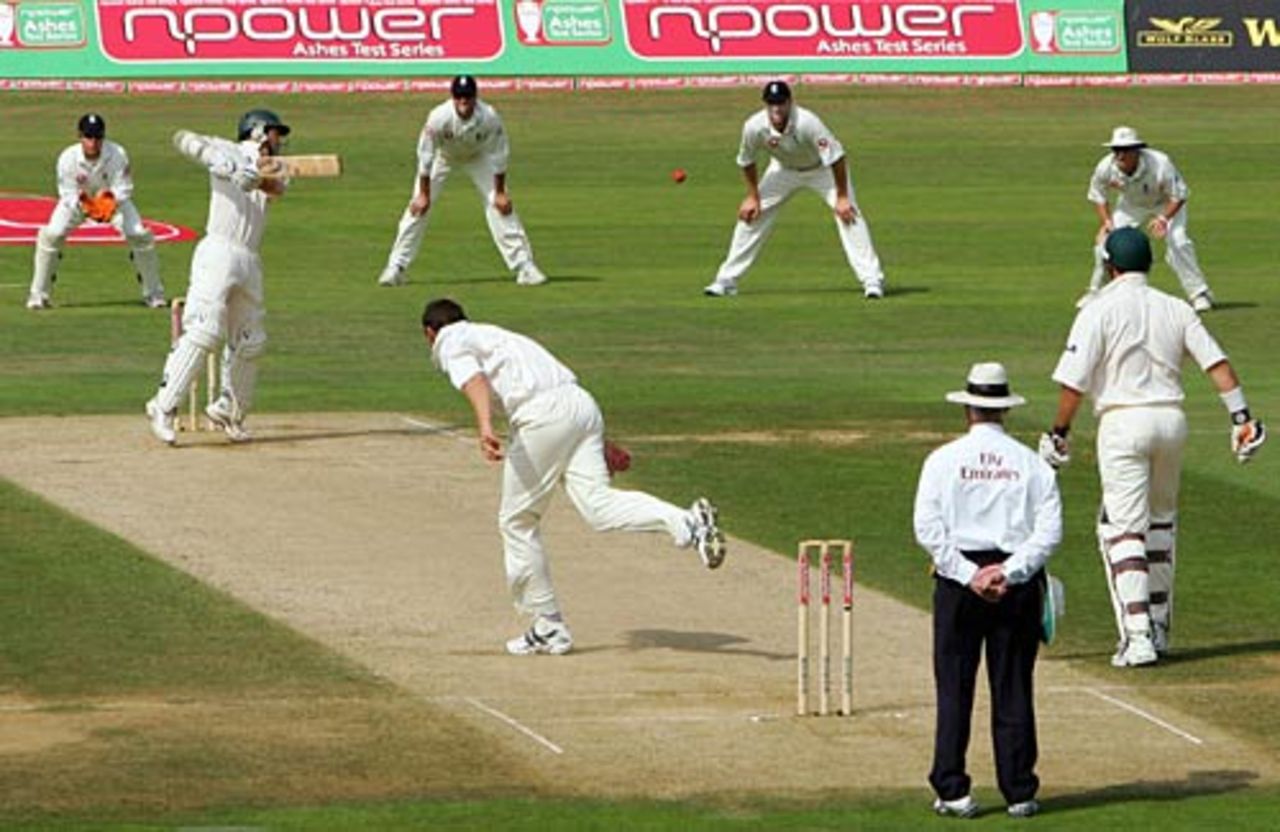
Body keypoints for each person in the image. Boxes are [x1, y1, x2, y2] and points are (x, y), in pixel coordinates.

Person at [422, 298, 726, 656]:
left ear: (430, 333)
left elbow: (473, 380)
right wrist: (601, 442)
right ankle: (689, 523)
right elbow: (556, 391)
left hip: (543, 419)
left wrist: (485, 426)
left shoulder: (450, 341)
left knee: (517, 522)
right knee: (598, 506)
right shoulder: (500, 336)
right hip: (581, 406)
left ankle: (548, 625)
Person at [1042, 227, 1266, 667]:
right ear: (1149, 264)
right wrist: (1241, 418)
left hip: (1123, 423)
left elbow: (1073, 383)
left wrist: (1059, 433)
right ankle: (1158, 628)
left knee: (1122, 529)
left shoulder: (1098, 309)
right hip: (1171, 422)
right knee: (1160, 523)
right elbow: (1216, 363)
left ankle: (1139, 636)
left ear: (1110, 267)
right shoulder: (1175, 307)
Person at [914, 362, 1062, 820]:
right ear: (1004, 411)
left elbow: (927, 527)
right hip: (1014, 585)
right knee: (1013, 686)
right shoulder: (1030, 463)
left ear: (968, 410)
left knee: (955, 687)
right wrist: (1010, 572)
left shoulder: (943, 459)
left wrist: (969, 575)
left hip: (960, 584)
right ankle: (1019, 790)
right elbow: (1049, 531)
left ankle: (953, 790)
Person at [144, 109, 291, 445]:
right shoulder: (226, 149)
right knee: (205, 331)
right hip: (218, 251)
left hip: (250, 257)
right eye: (274, 133)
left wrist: (253, 177)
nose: (278, 141)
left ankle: (229, 409)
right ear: (256, 132)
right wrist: (222, 162)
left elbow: (278, 186)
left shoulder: (276, 165)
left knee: (252, 340)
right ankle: (163, 406)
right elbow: (183, 139)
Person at [703, 80, 885, 299]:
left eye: (780, 103)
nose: (776, 109)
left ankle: (872, 280)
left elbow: (836, 157)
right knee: (750, 217)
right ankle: (726, 280)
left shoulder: (808, 122)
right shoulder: (754, 126)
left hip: (821, 170)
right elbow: (746, 160)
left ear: (790, 102)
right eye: (771, 104)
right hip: (783, 171)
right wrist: (753, 197)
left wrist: (843, 197)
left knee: (849, 215)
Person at [377, 75, 547, 288]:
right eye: (459, 97)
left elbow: (499, 153)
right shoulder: (438, 117)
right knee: (417, 208)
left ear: (475, 97)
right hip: (444, 156)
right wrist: (423, 194)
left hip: (478, 156)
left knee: (500, 206)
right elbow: (426, 155)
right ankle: (395, 267)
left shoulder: (489, 117)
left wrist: (501, 192)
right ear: (452, 97)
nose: (463, 101)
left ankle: (525, 266)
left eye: (467, 97)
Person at [27, 113, 165, 310]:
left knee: (139, 235)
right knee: (52, 234)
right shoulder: (68, 158)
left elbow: (124, 187)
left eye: (98, 137)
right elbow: (67, 193)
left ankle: (154, 294)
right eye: (88, 137)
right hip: (79, 203)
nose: (93, 142)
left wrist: (109, 202)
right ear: (80, 136)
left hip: (112, 203)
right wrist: (85, 204)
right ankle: (38, 295)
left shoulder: (117, 153)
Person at [1082, 126, 1214, 312]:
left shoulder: (1161, 163)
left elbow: (1180, 195)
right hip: (1131, 205)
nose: (1120, 155)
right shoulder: (1106, 166)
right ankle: (1097, 292)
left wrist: (1163, 218)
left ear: (1137, 150)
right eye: (1116, 150)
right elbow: (1098, 195)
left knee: (1178, 241)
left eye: (1125, 150)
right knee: (1106, 243)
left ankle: (1199, 294)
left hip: (1166, 203)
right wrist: (1107, 222)